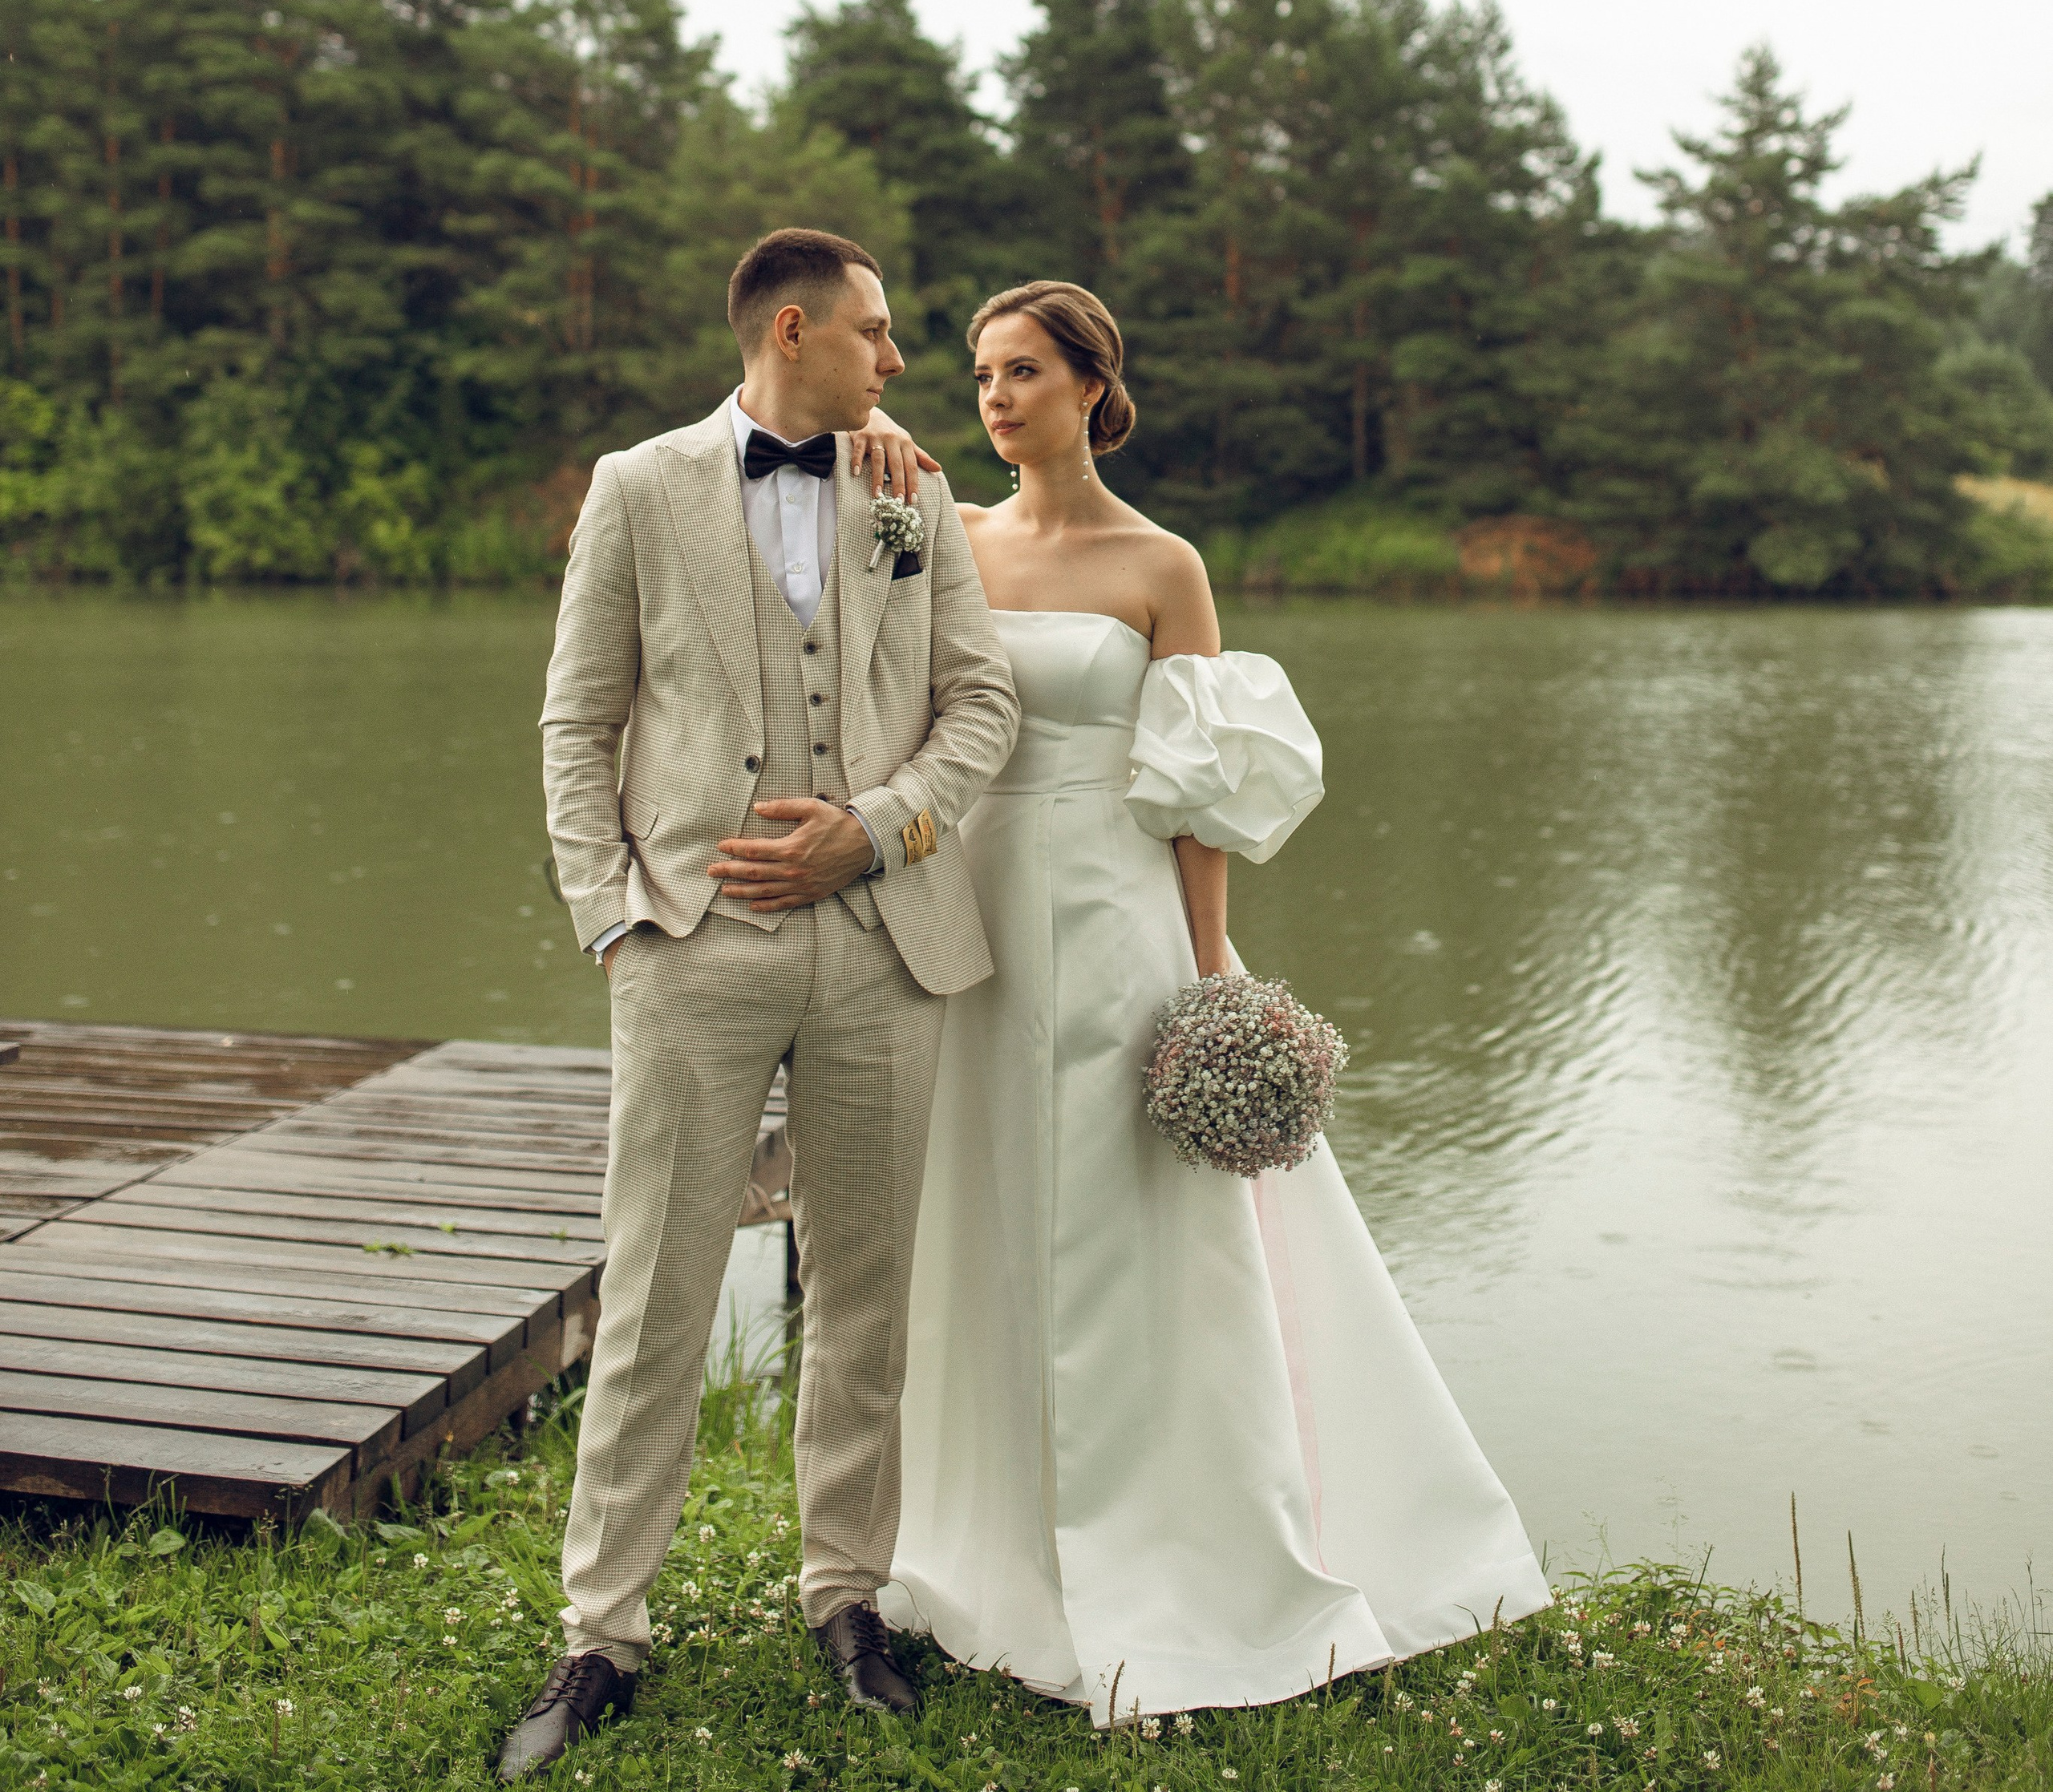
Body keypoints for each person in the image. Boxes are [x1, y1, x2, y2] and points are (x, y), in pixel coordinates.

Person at [881, 279, 1550, 1723]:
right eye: (982, 374)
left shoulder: (1161, 563)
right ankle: (983, 1541)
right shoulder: (952, 539)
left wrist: (1206, 978)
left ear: (1089, 385)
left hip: (1119, 917)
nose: (995, 396)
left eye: (1023, 371)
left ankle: (1188, 1550)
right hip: (975, 915)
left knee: (1143, 1238)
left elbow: (1197, 791)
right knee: (981, 1217)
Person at [497, 228, 1020, 1781]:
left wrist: (881, 823)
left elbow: (977, 701)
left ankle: (843, 1598)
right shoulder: (637, 486)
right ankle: (602, 1630)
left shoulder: (907, 489)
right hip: (692, 946)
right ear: (790, 331)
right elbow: (575, 721)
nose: (900, 357)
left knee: (861, 1296)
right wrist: (617, 924)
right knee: (654, 1291)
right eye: (876, 329)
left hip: (882, 943)